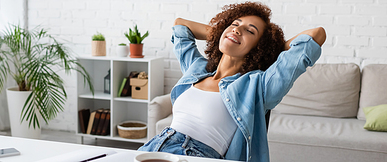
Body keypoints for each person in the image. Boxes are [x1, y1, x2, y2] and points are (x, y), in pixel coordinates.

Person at [137, 2, 326, 162]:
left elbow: (316, 35)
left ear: (259, 47)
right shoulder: (197, 69)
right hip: (152, 147)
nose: (237, 29)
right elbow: (180, 26)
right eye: (235, 24)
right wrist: (224, 32)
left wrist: (272, 47)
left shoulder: (258, 86)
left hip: (193, 156)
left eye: (250, 31)